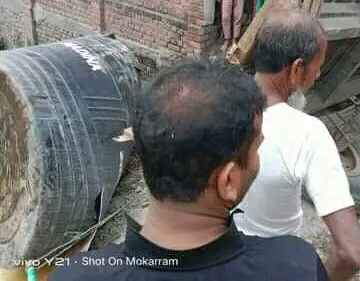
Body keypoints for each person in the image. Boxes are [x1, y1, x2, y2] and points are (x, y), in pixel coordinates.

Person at [48, 59, 331, 281]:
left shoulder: (75, 274)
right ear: (228, 181)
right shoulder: (295, 268)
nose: (257, 159)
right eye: (256, 148)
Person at [234, 10, 360, 281]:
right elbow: (352, 253)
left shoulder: (215, 106)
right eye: (316, 67)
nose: (317, 75)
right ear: (296, 69)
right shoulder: (307, 133)